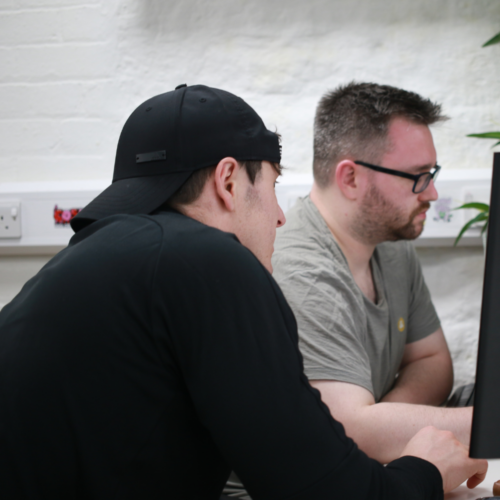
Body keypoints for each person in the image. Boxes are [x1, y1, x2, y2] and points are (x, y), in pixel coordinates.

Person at [0, 84, 486, 500]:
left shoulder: (101, 254)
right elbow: (319, 489)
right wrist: (425, 468)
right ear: (229, 181)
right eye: (274, 186)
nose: (280, 216)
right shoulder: (210, 260)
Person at [268, 82, 474, 467]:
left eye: (431, 173)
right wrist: (375, 427)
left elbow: (431, 360)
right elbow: (350, 431)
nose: (431, 194)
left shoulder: (391, 243)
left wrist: (383, 419)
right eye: (418, 176)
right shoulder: (304, 273)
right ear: (350, 178)